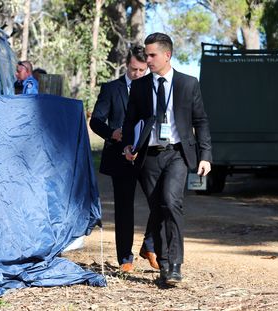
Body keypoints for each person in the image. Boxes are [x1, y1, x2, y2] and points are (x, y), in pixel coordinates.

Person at [122, 33, 212, 285]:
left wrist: (205, 155)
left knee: (171, 202)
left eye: (152, 55)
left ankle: (175, 264)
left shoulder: (188, 83)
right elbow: (130, 120)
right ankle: (163, 266)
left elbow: (201, 120)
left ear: (167, 55)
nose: (147, 60)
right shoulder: (140, 86)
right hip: (149, 156)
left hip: (177, 154)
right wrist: (129, 144)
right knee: (157, 209)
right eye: (146, 55)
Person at [90, 46, 159, 273]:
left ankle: (149, 245)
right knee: (123, 209)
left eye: (142, 70)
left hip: (148, 156)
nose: (137, 74)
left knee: (160, 202)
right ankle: (125, 259)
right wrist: (112, 133)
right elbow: (96, 121)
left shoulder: (154, 89)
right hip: (120, 156)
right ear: (126, 65)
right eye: (133, 69)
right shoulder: (111, 89)